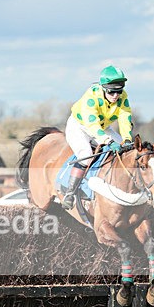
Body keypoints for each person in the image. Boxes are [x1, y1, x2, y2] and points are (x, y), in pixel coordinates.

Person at [61, 64, 134, 210]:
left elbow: (125, 119)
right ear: (103, 88)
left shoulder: (122, 97)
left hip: (102, 127)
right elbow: (92, 125)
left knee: (126, 152)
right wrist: (108, 140)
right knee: (86, 155)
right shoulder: (91, 96)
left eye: (119, 91)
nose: (116, 96)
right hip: (80, 126)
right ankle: (69, 193)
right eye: (112, 92)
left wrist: (126, 139)